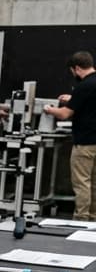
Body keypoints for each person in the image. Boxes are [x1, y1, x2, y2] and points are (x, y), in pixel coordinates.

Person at [44, 52, 96, 221]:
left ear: (77, 68)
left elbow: (65, 114)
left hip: (84, 145)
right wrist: (73, 99)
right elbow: (89, 102)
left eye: (73, 72)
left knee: (82, 184)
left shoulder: (83, 86)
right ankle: (93, 220)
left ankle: (81, 220)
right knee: (94, 185)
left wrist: (49, 109)